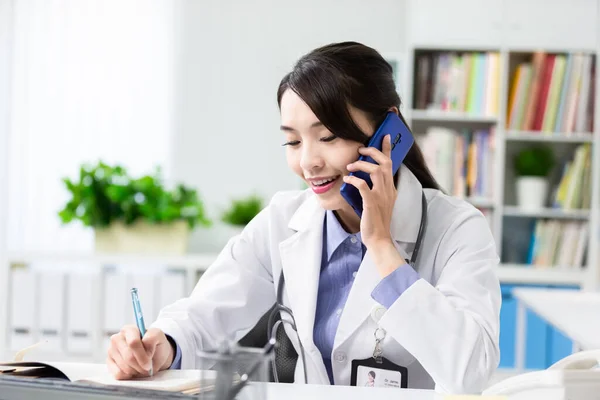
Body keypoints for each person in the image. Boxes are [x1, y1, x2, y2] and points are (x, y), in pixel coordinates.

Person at [105, 41, 501, 394]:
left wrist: (381, 246)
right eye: (293, 141)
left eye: (327, 137)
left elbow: (471, 370)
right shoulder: (283, 220)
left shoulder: (457, 228)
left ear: (388, 132)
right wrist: (162, 344)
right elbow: (205, 314)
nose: (308, 162)